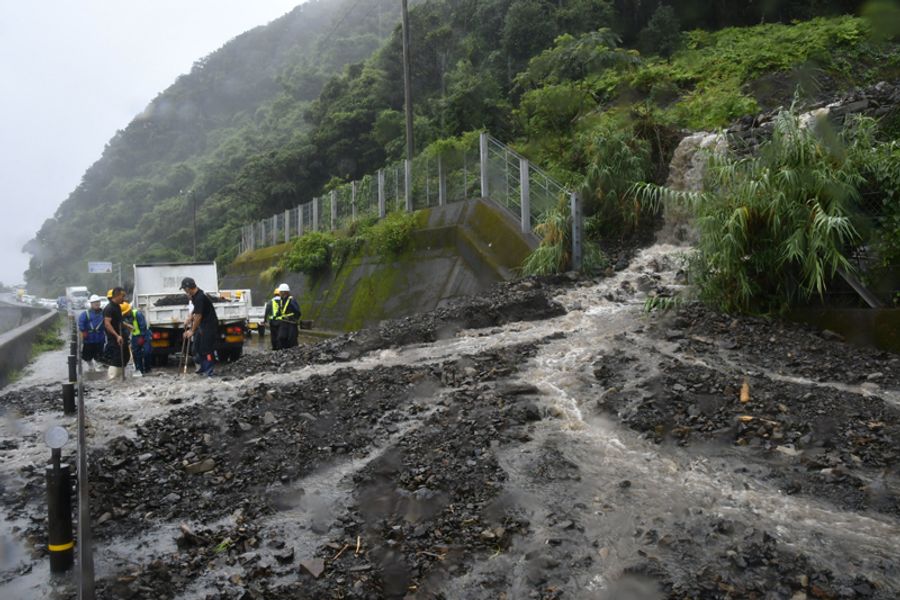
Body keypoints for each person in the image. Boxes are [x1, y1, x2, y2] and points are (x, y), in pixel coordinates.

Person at [181, 277, 218, 377]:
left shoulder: (200, 297)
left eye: (184, 289)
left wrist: (192, 331)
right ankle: (203, 367)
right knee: (196, 348)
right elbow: (196, 311)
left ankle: (209, 370)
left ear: (188, 288)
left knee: (207, 349)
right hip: (202, 325)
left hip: (209, 325)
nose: (184, 291)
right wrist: (189, 318)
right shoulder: (195, 296)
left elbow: (198, 316)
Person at [103, 287, 131, 379]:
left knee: (126, 356)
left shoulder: (118, 307)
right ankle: (112, 378)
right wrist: (117, 336)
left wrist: (126, 325)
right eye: (122, 296)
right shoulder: (109, 308)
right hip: (115, 338)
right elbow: (107, 324)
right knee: (117, 358)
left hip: (122, 336)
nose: (124, 298)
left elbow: (118, 321)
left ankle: (120, 378)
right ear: (117, 296)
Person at [78, 294, 105, 371]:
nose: (96, 304)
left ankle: (98, 365)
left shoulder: (103, 313)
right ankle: (90, 365)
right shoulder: (85, 313)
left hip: (100, 337)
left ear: (100, 303)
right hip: (89, 338)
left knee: (100, 353)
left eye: (97, 302)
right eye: (94, 302)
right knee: (87, 355)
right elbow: (81, 323)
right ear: (91, 304)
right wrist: (83, 331)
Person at [124, 302, 152, 377]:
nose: (126, 314)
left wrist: (142, 337)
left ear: (129, 310)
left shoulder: (137, 314)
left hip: (144, 335)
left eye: (126, 312)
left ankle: (147, 369)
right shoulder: (125, 318)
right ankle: (139, 370)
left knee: (146, 352)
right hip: (134, 337)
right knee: (136, 354)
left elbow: (143, 326)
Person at [272, 283, 301, 350]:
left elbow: (298, 312)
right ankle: (282, 351)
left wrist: (294, 319)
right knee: (281, 338)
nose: (279, 293)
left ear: (284, 292)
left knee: (292, 339)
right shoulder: (282, 300)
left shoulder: (291, 300)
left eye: (280, 292)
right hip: (284, 322)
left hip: (291, 322)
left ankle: (293, 351)